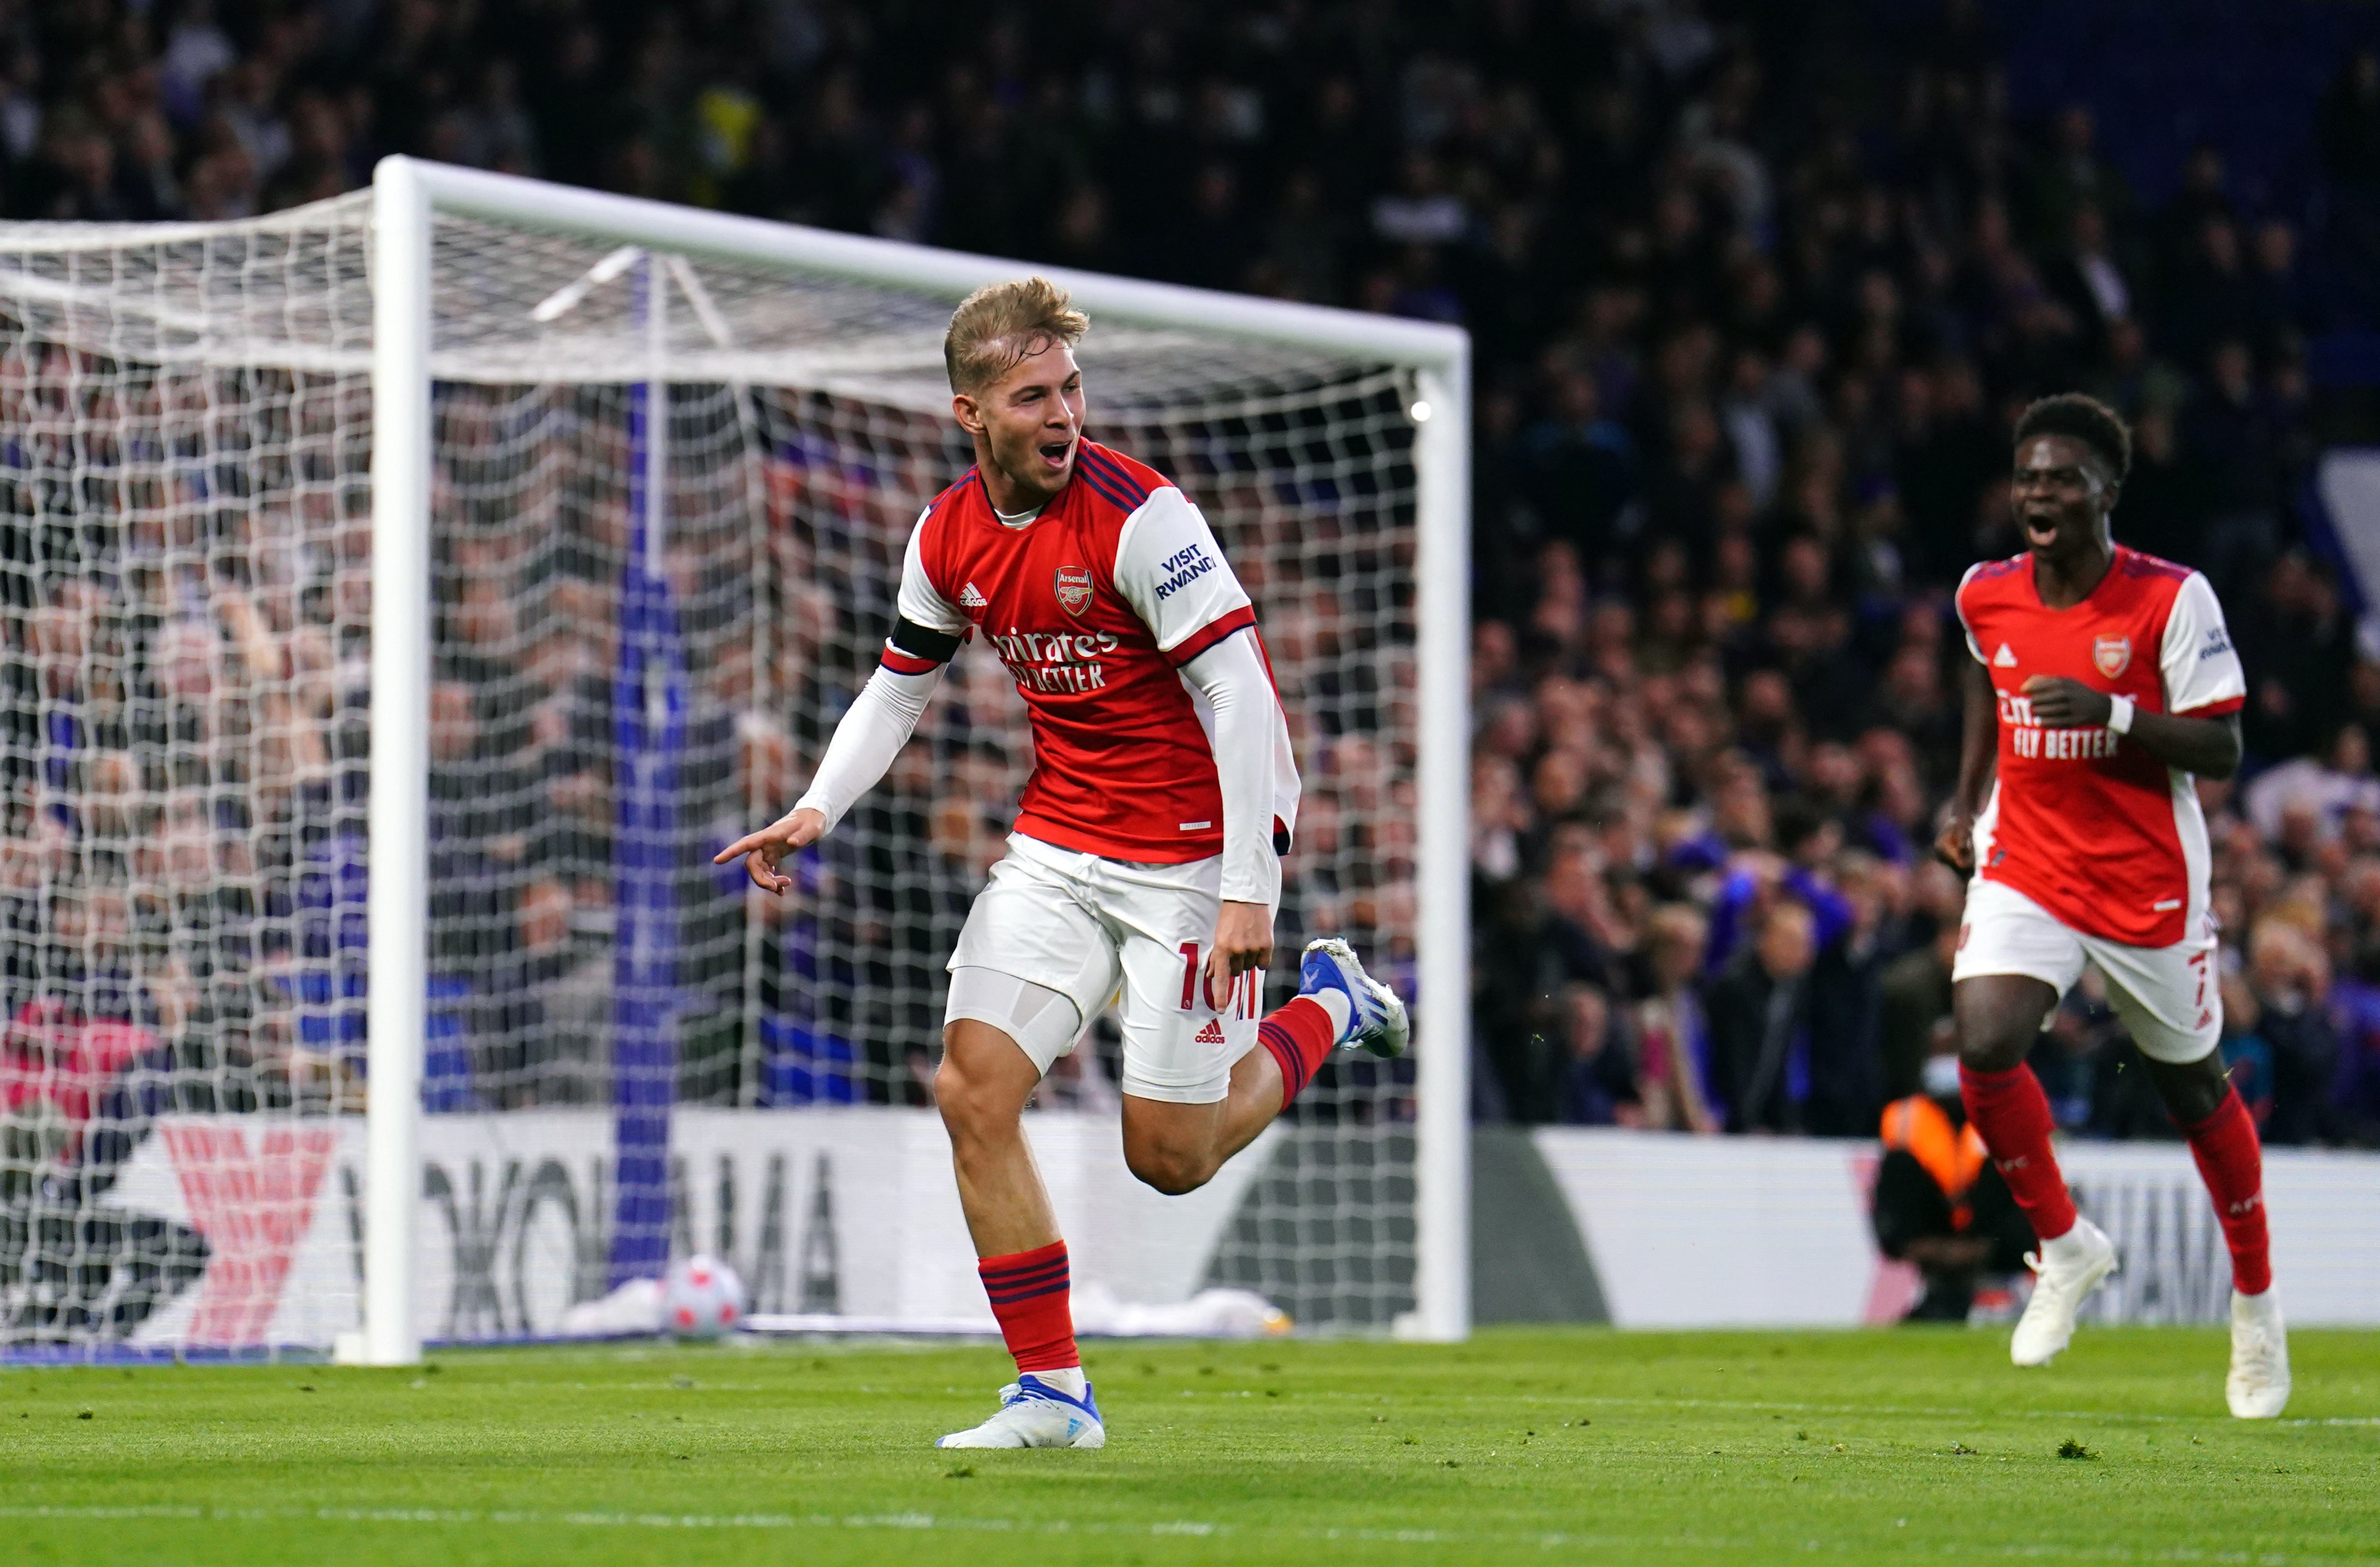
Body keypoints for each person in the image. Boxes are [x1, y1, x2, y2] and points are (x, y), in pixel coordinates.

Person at [716, 279, 1407, 1450]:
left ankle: (1330, 1006)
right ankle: (1053, 1394)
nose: (1064, 415)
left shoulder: (1145, 520)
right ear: (969, 413)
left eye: (1072, 390)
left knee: (1170, 1160)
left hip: (1192, 858)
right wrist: (816, 810)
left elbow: (1242, 697)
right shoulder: (946, 536)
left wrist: (1252, 886)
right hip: (1059, 843)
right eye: (1034, 395)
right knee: (970, 1089)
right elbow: (900, 686)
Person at [1939, 393, 2286, 1417]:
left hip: (2145, 882)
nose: (2037, 492)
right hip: (2028, 864)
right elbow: (1979, 679)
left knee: (2194, 1092)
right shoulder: (1985, 594)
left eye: (2060, 477)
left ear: (2105, 492)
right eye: (2027, 476)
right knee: (1983, 1037)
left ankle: (2257, 1310)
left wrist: (2117, 712)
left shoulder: (2172, 600)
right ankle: (2064, 1243)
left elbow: (2220, 747)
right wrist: (1965, 802)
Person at [1871, 1039, 2035, 1322]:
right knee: (1901, 1165)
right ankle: (1941, 1295)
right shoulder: (1905, 1115)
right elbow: (1895, 1191)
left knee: (2013, 1172)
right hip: (1932, 1222)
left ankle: (1997, 1291)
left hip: (1990, 1230)